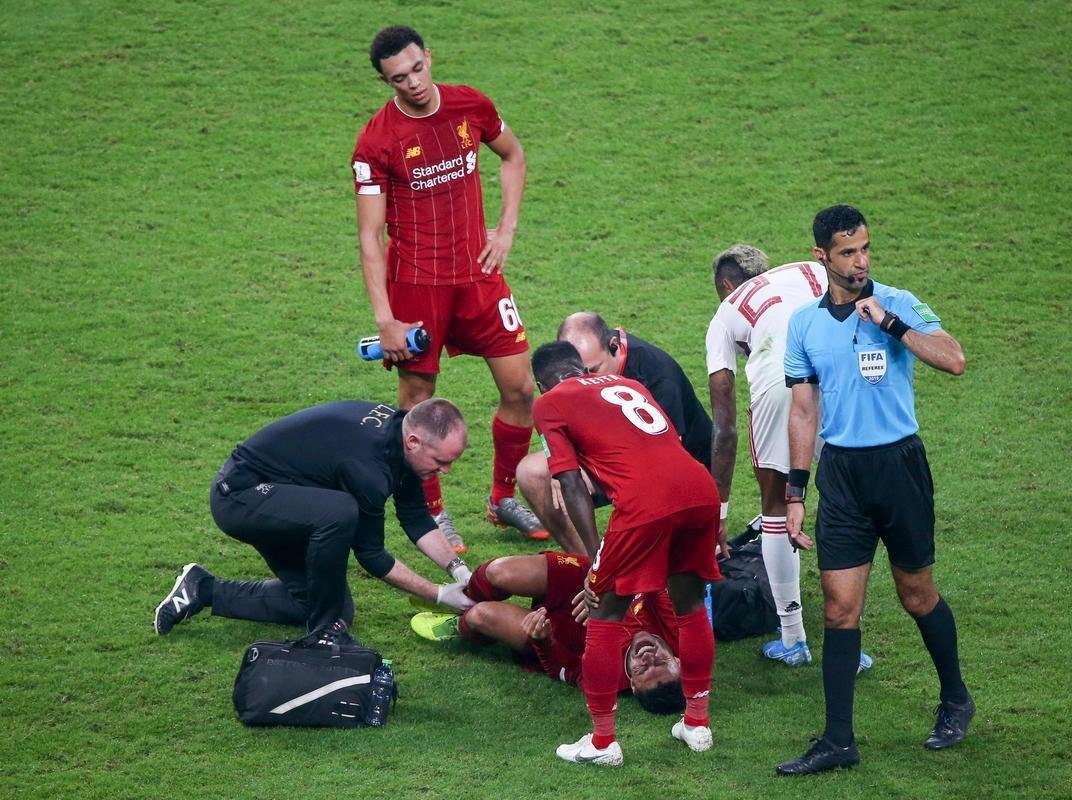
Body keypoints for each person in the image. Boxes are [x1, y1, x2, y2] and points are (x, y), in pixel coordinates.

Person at [776, 205, 971, 776]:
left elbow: (954, 360)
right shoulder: (805, 325)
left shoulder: (898, 301)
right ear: (822, 257)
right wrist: (795, 492)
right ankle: (839, 740)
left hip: (900, 467)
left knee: (917, 595)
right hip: (842, 477)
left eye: (864, 249)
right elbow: (804, 409)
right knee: (840, 610)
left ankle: (956, 699)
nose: (860, 261)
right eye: (847, 252)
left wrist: (891, 324)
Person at [350, 25, 545, 553]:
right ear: (385, 82)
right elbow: (369, 235)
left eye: (417, 69)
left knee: (521, 389)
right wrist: (385, 319)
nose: (413, 83)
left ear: (428, 58)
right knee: (417, 404)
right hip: (417, 286)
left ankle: (503, 496)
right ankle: (433, 513)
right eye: (398, 78)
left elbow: (513, 155)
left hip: (479, 277)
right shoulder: (376, 142)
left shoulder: (470, 106)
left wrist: (505, 229)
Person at [530, 341, 722, 767]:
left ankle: (602, 744)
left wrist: (595, 552)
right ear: (581, 366)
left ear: (542, 384)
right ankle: (697, 723)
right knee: (689, 605)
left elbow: (569, 481)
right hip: (699, 487)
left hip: (645, 502)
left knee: (604, 611)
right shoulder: (627, 381)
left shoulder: (549, 404)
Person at [153, 399, 477, 638]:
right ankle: (324, 634)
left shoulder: (400, 438)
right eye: (441, 461)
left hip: (291, 500)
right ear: (414, 442)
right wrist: (436, 594)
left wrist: (458, 570)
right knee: (339, 513)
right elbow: (372, 556)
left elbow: (416, 516)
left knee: (328, 606)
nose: (445, 471)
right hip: (241, 496)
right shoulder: (368, 468)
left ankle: (202, 589)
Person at [706, 244, 829, 666]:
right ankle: (848, 636)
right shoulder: (808, 270)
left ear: (725, 286)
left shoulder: (724, 314)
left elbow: (724, 427)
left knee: (775, 507)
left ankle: (793, 638)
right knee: (844, 498)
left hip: (779, 378)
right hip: (839, 366)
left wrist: (719, 512)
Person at [516, 312, 713, 554]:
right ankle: (586, 564)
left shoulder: (656, 376)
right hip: (616, 451)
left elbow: (667, 450)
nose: (579, 382)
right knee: (532, 474)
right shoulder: (597, 381)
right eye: (575, 372)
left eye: (590, 371)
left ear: (613, 347)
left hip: (673, 466)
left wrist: (570, 472)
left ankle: (610, 568)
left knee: (569, 483)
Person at [410, 552, 686, 715]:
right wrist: (606, 590)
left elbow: (559, 668)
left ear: (633, 686)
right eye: (661, 661)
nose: (648, 655)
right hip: (589, 582)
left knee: (482, 616)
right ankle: (463, 593)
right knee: (498, 573)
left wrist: (542, 640)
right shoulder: (678, 631)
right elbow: (655, 572)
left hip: (555, 629)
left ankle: (460, 623)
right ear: (678, 662)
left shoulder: (605, 680)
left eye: (642, 669)